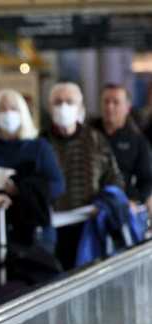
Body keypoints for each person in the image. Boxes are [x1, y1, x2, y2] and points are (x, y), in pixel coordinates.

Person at [0, 89, 65, 299]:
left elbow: (58, 185)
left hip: (37, 232)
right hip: (0, 231)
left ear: (23, 113)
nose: (8, 113)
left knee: (40, 290)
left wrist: (23, 190)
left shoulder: (39, 148)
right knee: (3, 289)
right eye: (3, 109)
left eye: (13, 108)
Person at [42, 82, 125, 270]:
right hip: (52, 230)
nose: (63, 107)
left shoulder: (95, 140)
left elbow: (115, 179)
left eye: (69, 102)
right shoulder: (41, 143)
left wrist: (103, 204)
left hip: (91, 226)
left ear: (80, 108)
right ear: (50, 107)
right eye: (58, 102)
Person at [91, 84, 152, 213]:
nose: (109, 107)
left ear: (127, 107)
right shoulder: (87, 133)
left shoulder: (138, 140)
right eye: (106, 102)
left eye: (116, 102)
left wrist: (136, 200)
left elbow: (147, 179)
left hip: (123, 202)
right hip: (89, 202)